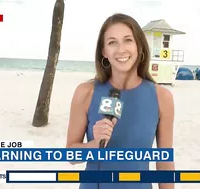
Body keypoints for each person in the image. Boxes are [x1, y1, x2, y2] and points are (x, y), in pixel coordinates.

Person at [66, 13, 175, 189]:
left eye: (128, 40)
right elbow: (70, 156)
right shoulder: (85, 92)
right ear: (104, 52)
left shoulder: (162, 97)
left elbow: (165, 164)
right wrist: (94, 144)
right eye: (112, 42)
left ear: (139, 46)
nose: (121, 49)